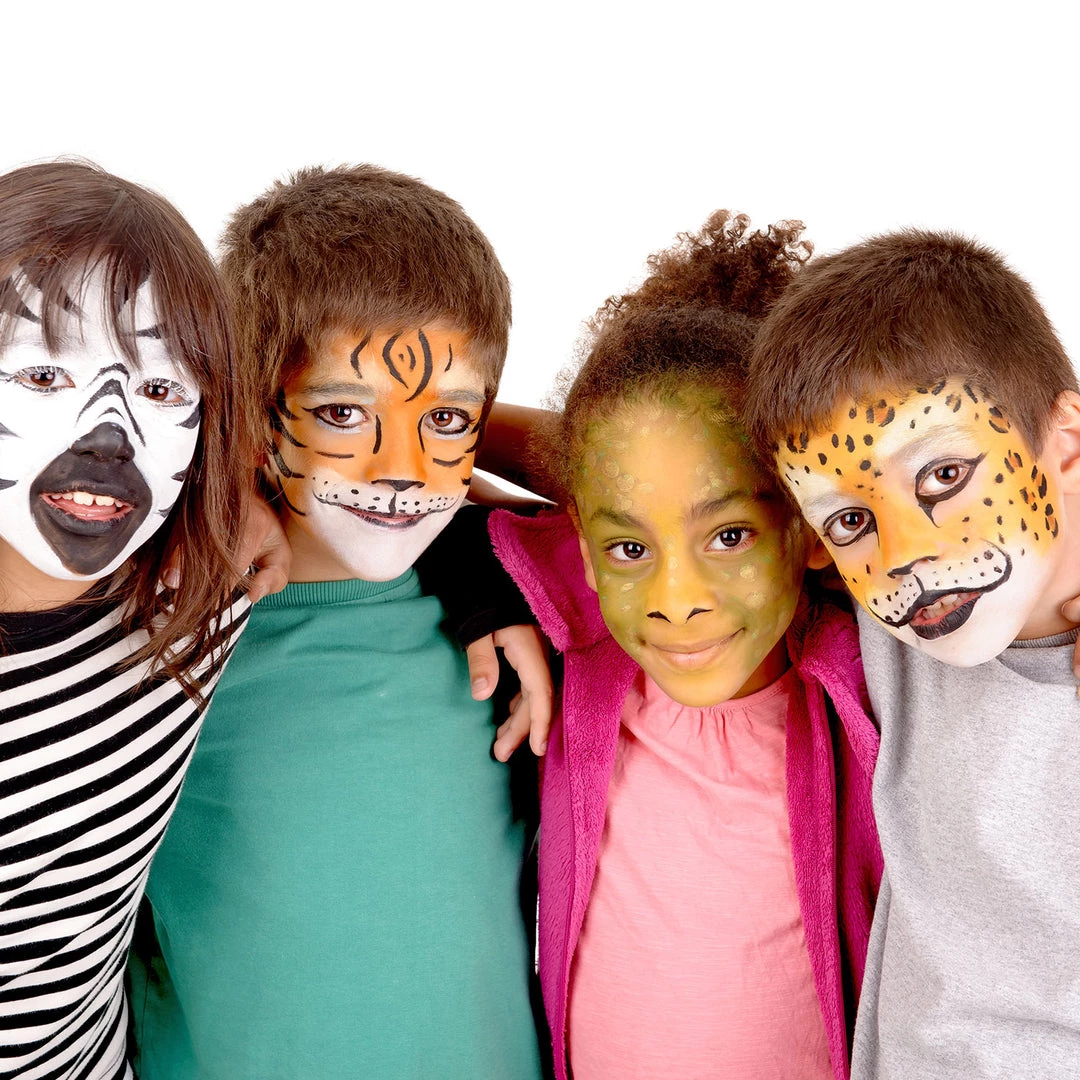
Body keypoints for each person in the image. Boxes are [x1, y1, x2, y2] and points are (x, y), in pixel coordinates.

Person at [130, 165, 546, 1080]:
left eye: (445, 417)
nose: (401, 467)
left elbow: (660, 467)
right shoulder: (156, 632)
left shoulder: (510, 618)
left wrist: (479, 545)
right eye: (344, 412)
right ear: (246, 405)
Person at [488, 212, 882, 1080]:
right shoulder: (583, 633)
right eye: (630, 548)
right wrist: (453, 424)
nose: (676, 602)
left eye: (730, 536)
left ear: (811, 528)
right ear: (585, 545)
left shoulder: (869, 673)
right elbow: (423, 476)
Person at [743, 229, 1080, 1078]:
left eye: (943, 479)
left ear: (1067, 444)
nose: (903, 557)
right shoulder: (902, 633)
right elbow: (645, 484)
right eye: (851, 520)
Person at [0, 160, 269, 1080]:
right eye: (43, 372)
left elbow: (399, 470)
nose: (109, 435)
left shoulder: (198, 598)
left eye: (160, 392)